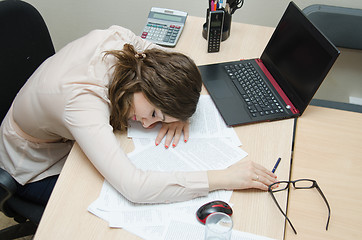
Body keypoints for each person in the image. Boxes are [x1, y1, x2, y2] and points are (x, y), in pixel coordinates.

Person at [0, 25, 277, 206]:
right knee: (101, 204)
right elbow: (136, 188)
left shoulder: (127, 47)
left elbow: (165, 60)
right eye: (154, 113)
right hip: (33, 164)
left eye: (158, 120)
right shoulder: (83, 103)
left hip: (61, 128)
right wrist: (226, 178)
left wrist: (174, 111)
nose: (147, 124)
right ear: (144, 84)